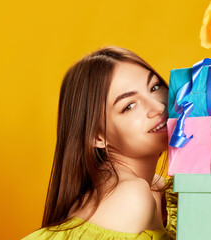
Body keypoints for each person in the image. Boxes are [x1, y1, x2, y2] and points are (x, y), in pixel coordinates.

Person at [23, 47, 176, 240]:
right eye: (129, 106)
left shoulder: (157, 187)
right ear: (98, 137)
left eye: (154, 88)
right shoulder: (131, 197)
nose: (158, 107)